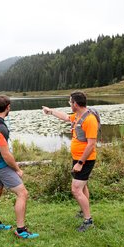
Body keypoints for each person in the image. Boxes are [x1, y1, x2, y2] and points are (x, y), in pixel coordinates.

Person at [0, 95, 39, 239]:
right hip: (1, 166)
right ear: (8, 107)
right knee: (23, 194)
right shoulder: (0, 128)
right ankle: (21, 230)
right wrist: (17, 169)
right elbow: (6, 155)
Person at [42, 91, 98, 232]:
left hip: (85, 160)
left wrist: (80, 163)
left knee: (76, 189)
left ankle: (88, 220)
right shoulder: (78, 116)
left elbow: (91, 144)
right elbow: (66, 117)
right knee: (83, 187)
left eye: (70, 102)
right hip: (78, 159)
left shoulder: (90, 120)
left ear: (76, 104)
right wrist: (50, 111)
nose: (69, 104)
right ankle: (83, 211)